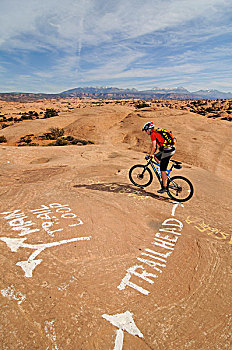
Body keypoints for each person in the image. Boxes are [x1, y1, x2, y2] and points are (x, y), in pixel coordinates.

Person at [142, 121, 175, 193]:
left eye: (145, 130)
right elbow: (158, 146)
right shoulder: (157, 132)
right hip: (171, 148)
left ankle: (164, 187)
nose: (145, 132)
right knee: (156, 156)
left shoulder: (153, 134)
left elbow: (154, 147)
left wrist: (150, 155)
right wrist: (153, 154)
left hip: (168, 151)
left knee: (162, 170)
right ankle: (162, 168)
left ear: (149, 129)